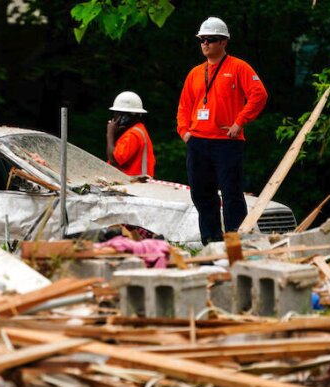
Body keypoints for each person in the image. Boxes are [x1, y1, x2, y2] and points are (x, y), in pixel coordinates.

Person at [176, 17, 268, 244]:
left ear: (224, 42)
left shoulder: (238, 67)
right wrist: (185, 132)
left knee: (232, 194)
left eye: (211, 39)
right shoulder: (195, 73)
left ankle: (236, 242)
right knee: (201, 194)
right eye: (202, 39)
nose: (205, 43)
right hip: (197, 142)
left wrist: (239, 122)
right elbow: (184, 107)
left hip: (227, 142)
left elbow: (259, 95)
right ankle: (211, 242)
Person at [106, 91, 156, 177]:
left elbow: (114, 159)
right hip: (135, 183)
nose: (114, 117)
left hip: (136, 185)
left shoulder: (133, 134)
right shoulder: (135, 131)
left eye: (116, 113)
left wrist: (110, 134)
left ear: (124, 117)